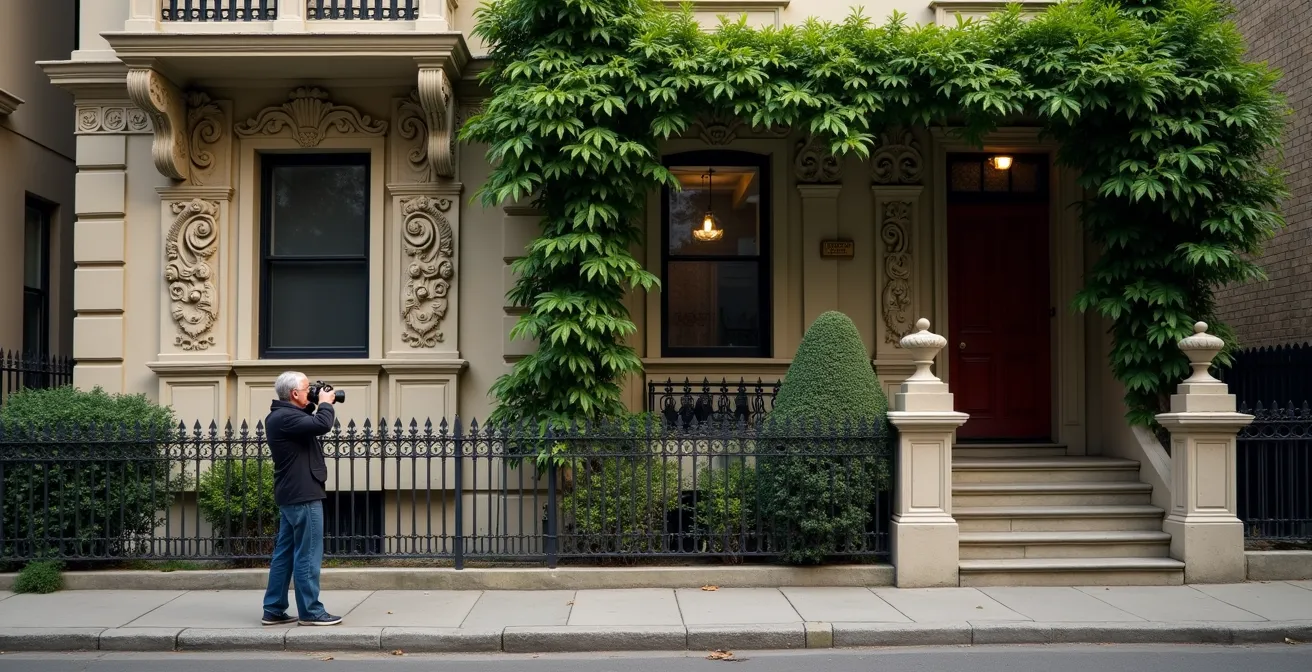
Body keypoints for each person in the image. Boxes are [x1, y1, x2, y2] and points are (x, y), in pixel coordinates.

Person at [260, 371, 341, 626]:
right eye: (308, 389)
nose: (313, 392)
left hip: (292, 494)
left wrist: (314, 401)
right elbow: (322, 425)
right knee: (307, 554)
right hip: (304, 495)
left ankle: (273, 608)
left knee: (285, 554)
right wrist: (326, 403)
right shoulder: (285, 418)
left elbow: (309, 420)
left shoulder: (283, 415)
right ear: (294, 394)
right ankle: (311, 611)